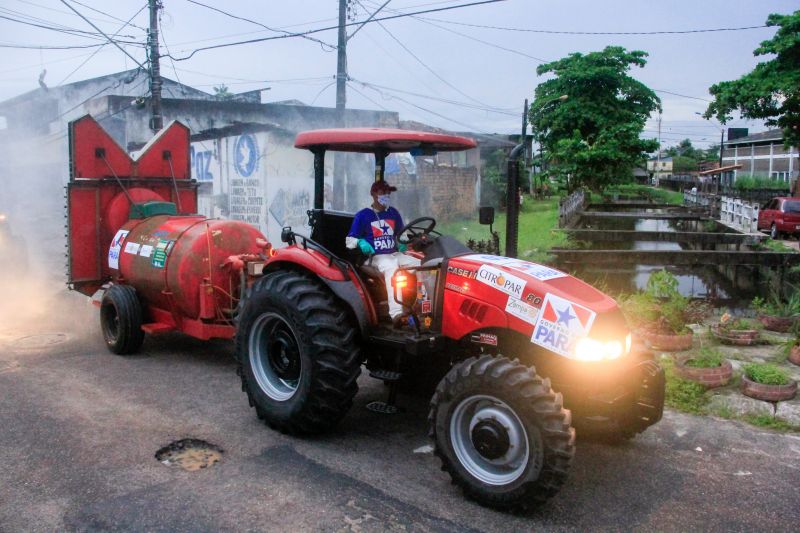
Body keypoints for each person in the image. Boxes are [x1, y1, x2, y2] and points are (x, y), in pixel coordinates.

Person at [346, 180, 420, 327]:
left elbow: (401, 235)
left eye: (388, 193)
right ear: (373, 194)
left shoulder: (393, 213)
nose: (386, 195)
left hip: (393, 253)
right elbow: (350, 240)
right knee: (391, 267)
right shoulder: (363, 215)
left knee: (422, 265)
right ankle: (396, 314)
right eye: (382, 193)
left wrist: (404, 243)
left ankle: (423, 305)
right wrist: (361, 242)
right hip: (373, 257)